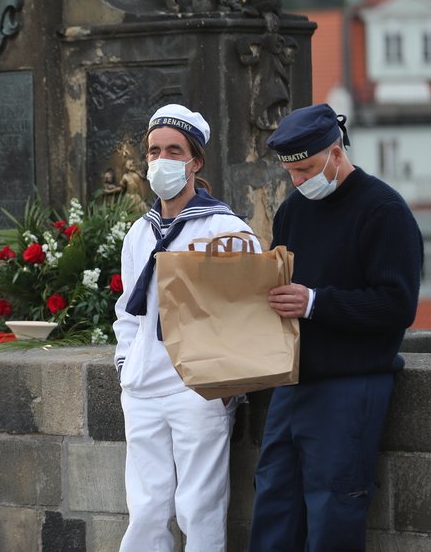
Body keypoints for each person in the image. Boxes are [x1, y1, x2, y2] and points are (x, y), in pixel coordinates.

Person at [249, 103, 423, 551]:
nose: (299, 182)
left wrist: (315, 303)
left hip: (351, 384)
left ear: (335, 152)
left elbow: (397, 304)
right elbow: (279, 284)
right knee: (273, 502)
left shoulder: (384, 210)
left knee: (334, 510)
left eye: (306, 169)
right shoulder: (292, 211)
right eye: (291, 173)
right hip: (292, 381)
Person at [113, 103, 258, 552]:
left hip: (196, 387)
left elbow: (247, 311)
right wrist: (125, 364)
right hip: (142, 387)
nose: (161, 160)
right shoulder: (140, 232)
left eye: (173, 150)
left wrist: (228, 385)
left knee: (199, 505)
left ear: (195, 160)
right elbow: (128, 310)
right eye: (154, 151)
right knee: (146, 509)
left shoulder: (226, 229)